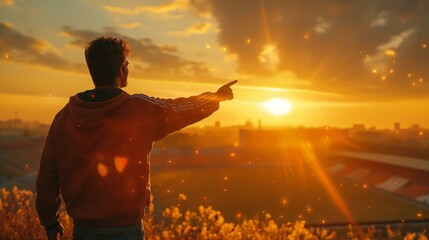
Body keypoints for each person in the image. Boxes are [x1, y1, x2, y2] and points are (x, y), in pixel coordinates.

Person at [36, 36, 237, 240]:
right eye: (127, 64)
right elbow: (179, 108)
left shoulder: (65, 117)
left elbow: (47, 177)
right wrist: (215, 97)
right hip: (126, 231)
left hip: (84, 231)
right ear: (122, 68)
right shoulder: (137, 109)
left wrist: (50, 222)